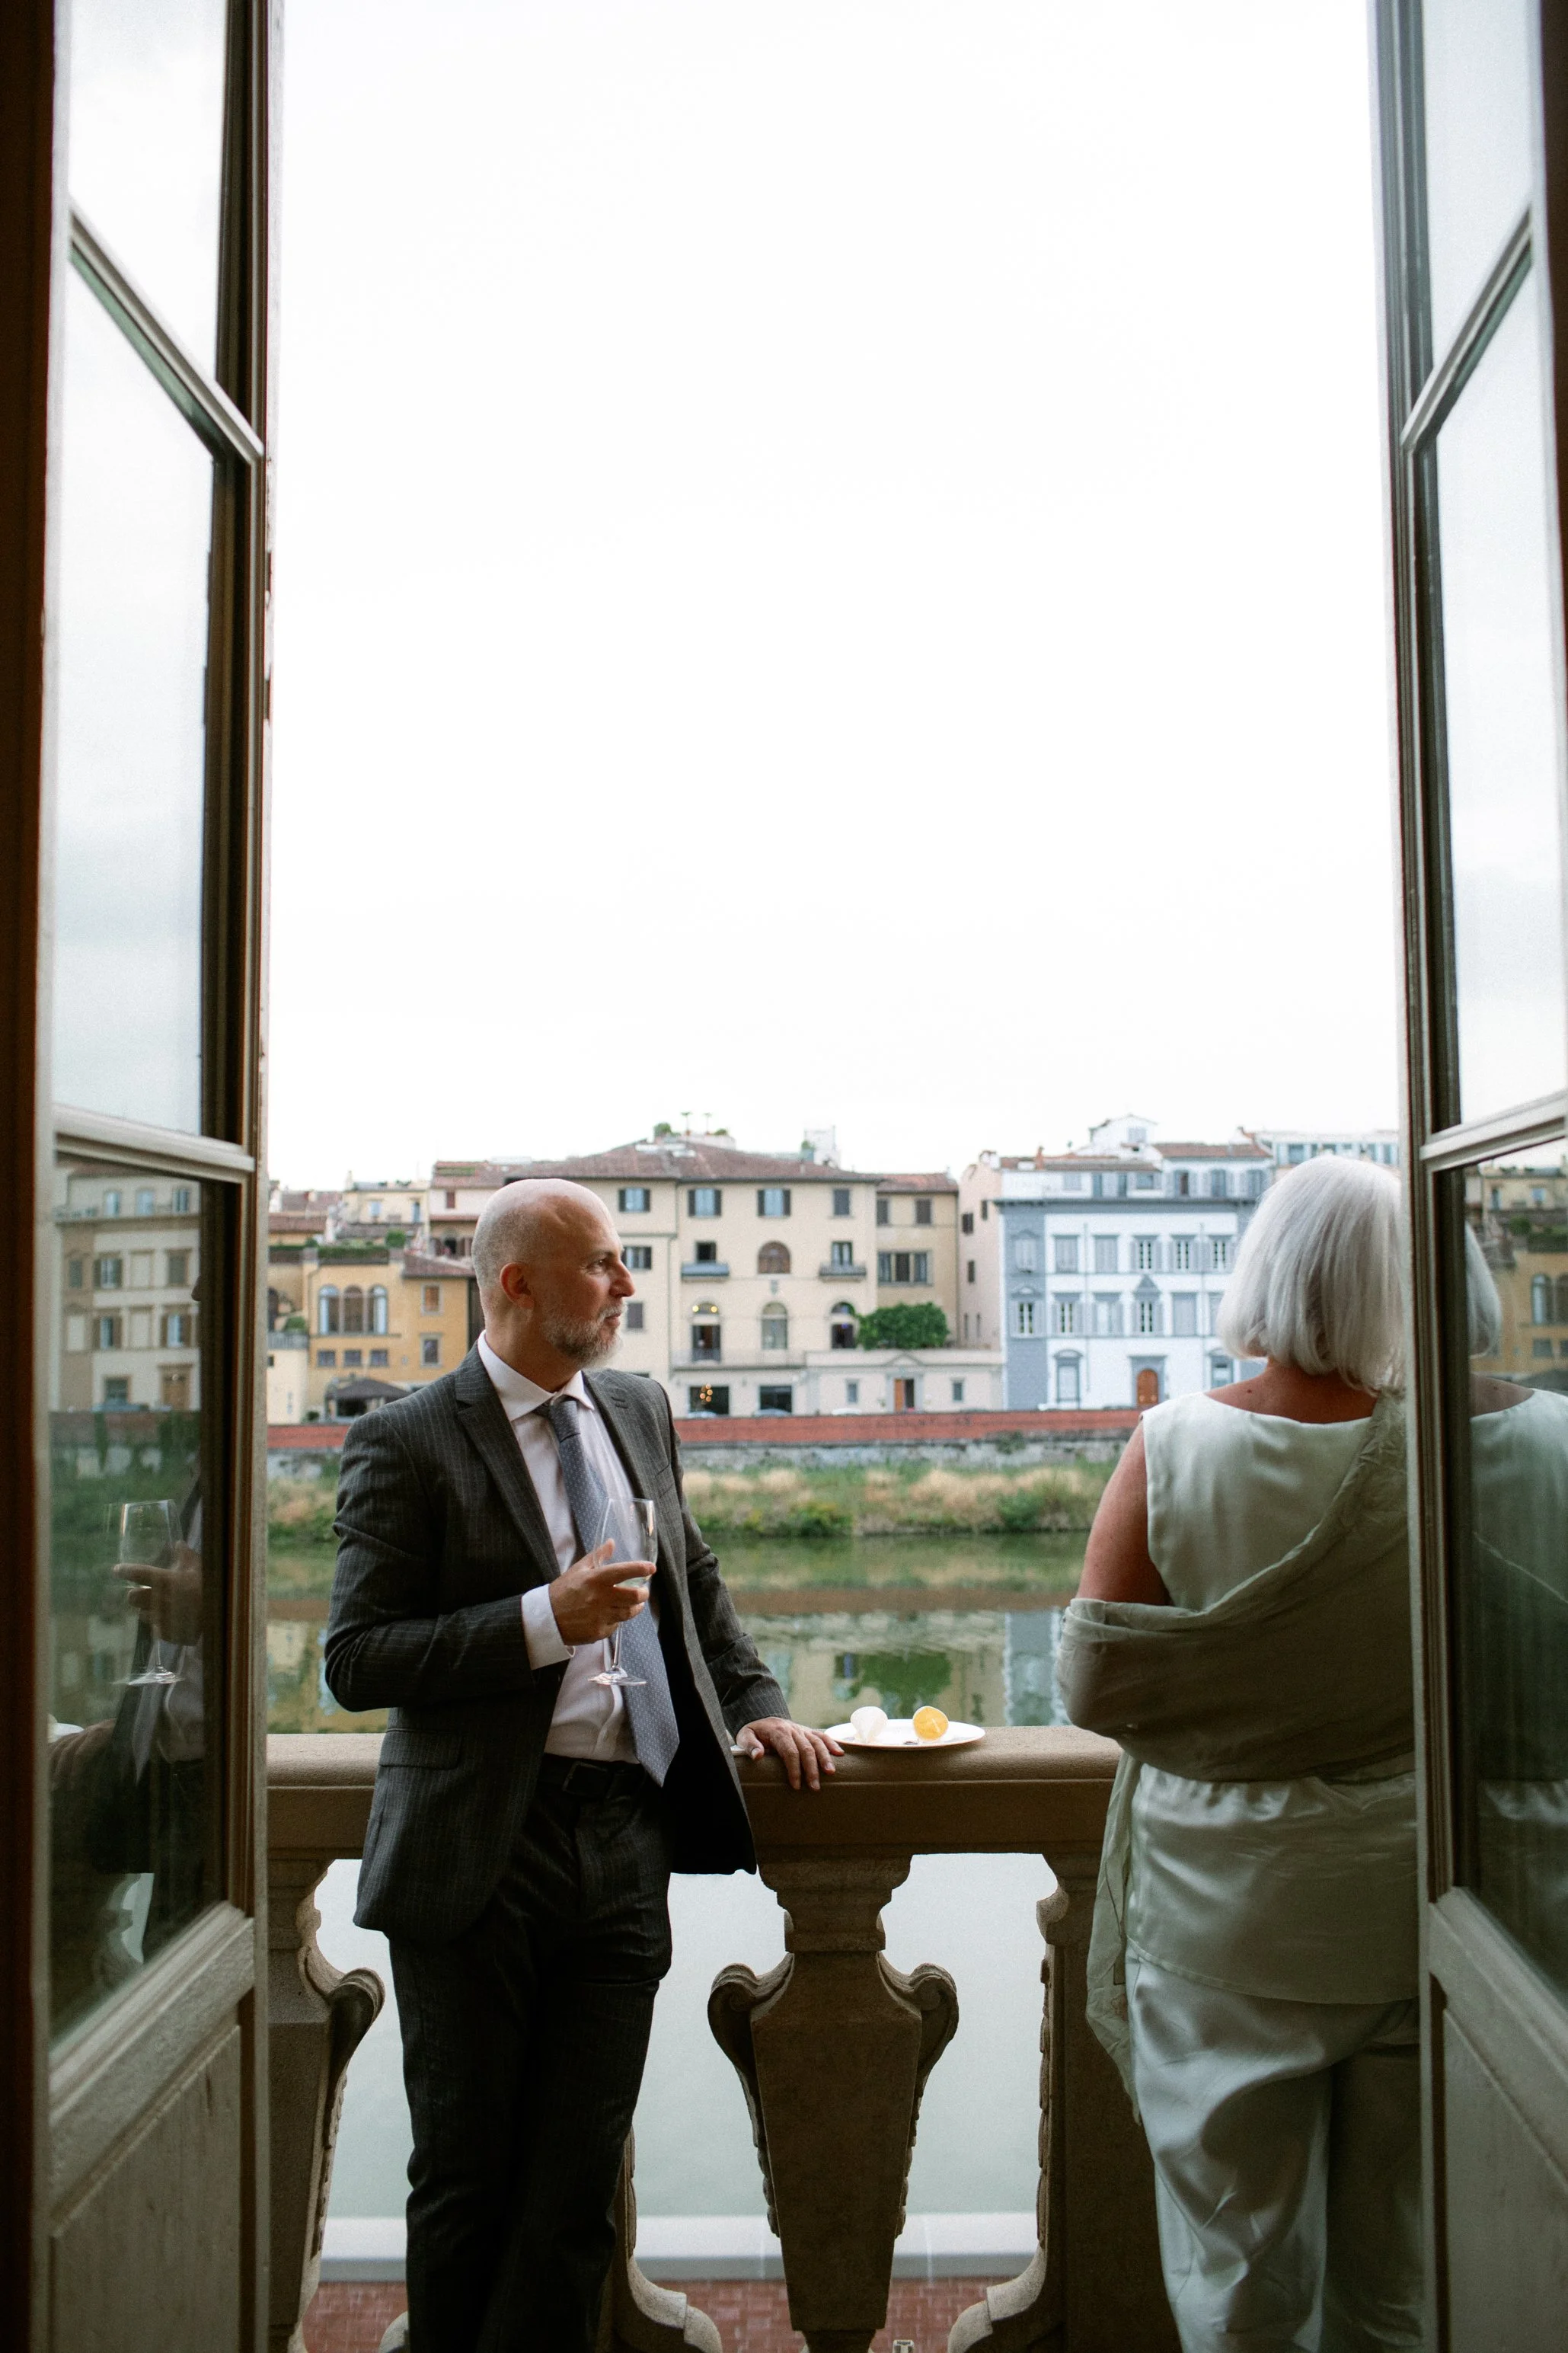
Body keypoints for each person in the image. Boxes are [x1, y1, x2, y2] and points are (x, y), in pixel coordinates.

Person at [324, 1178, 841, 2353]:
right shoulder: (403, 1437)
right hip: (477, 1854)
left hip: (625, 1840)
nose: (626, 1283)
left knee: (573, 2192)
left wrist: (756, 1705)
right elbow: (355, 1660)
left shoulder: (635, 1405)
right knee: (465, 2181)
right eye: (603, 1263)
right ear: (516, 1284)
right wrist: (543, 1618)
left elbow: (693, 1582)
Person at [1058, 1155, 1422, 2353]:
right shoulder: (1435, 1461)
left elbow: (1096, 1680)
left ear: (1264, 1268)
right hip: (1402, 1889)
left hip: (1223, 1901)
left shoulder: (1174, 1440)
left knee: (1237, 2267)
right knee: (1399, 2269)